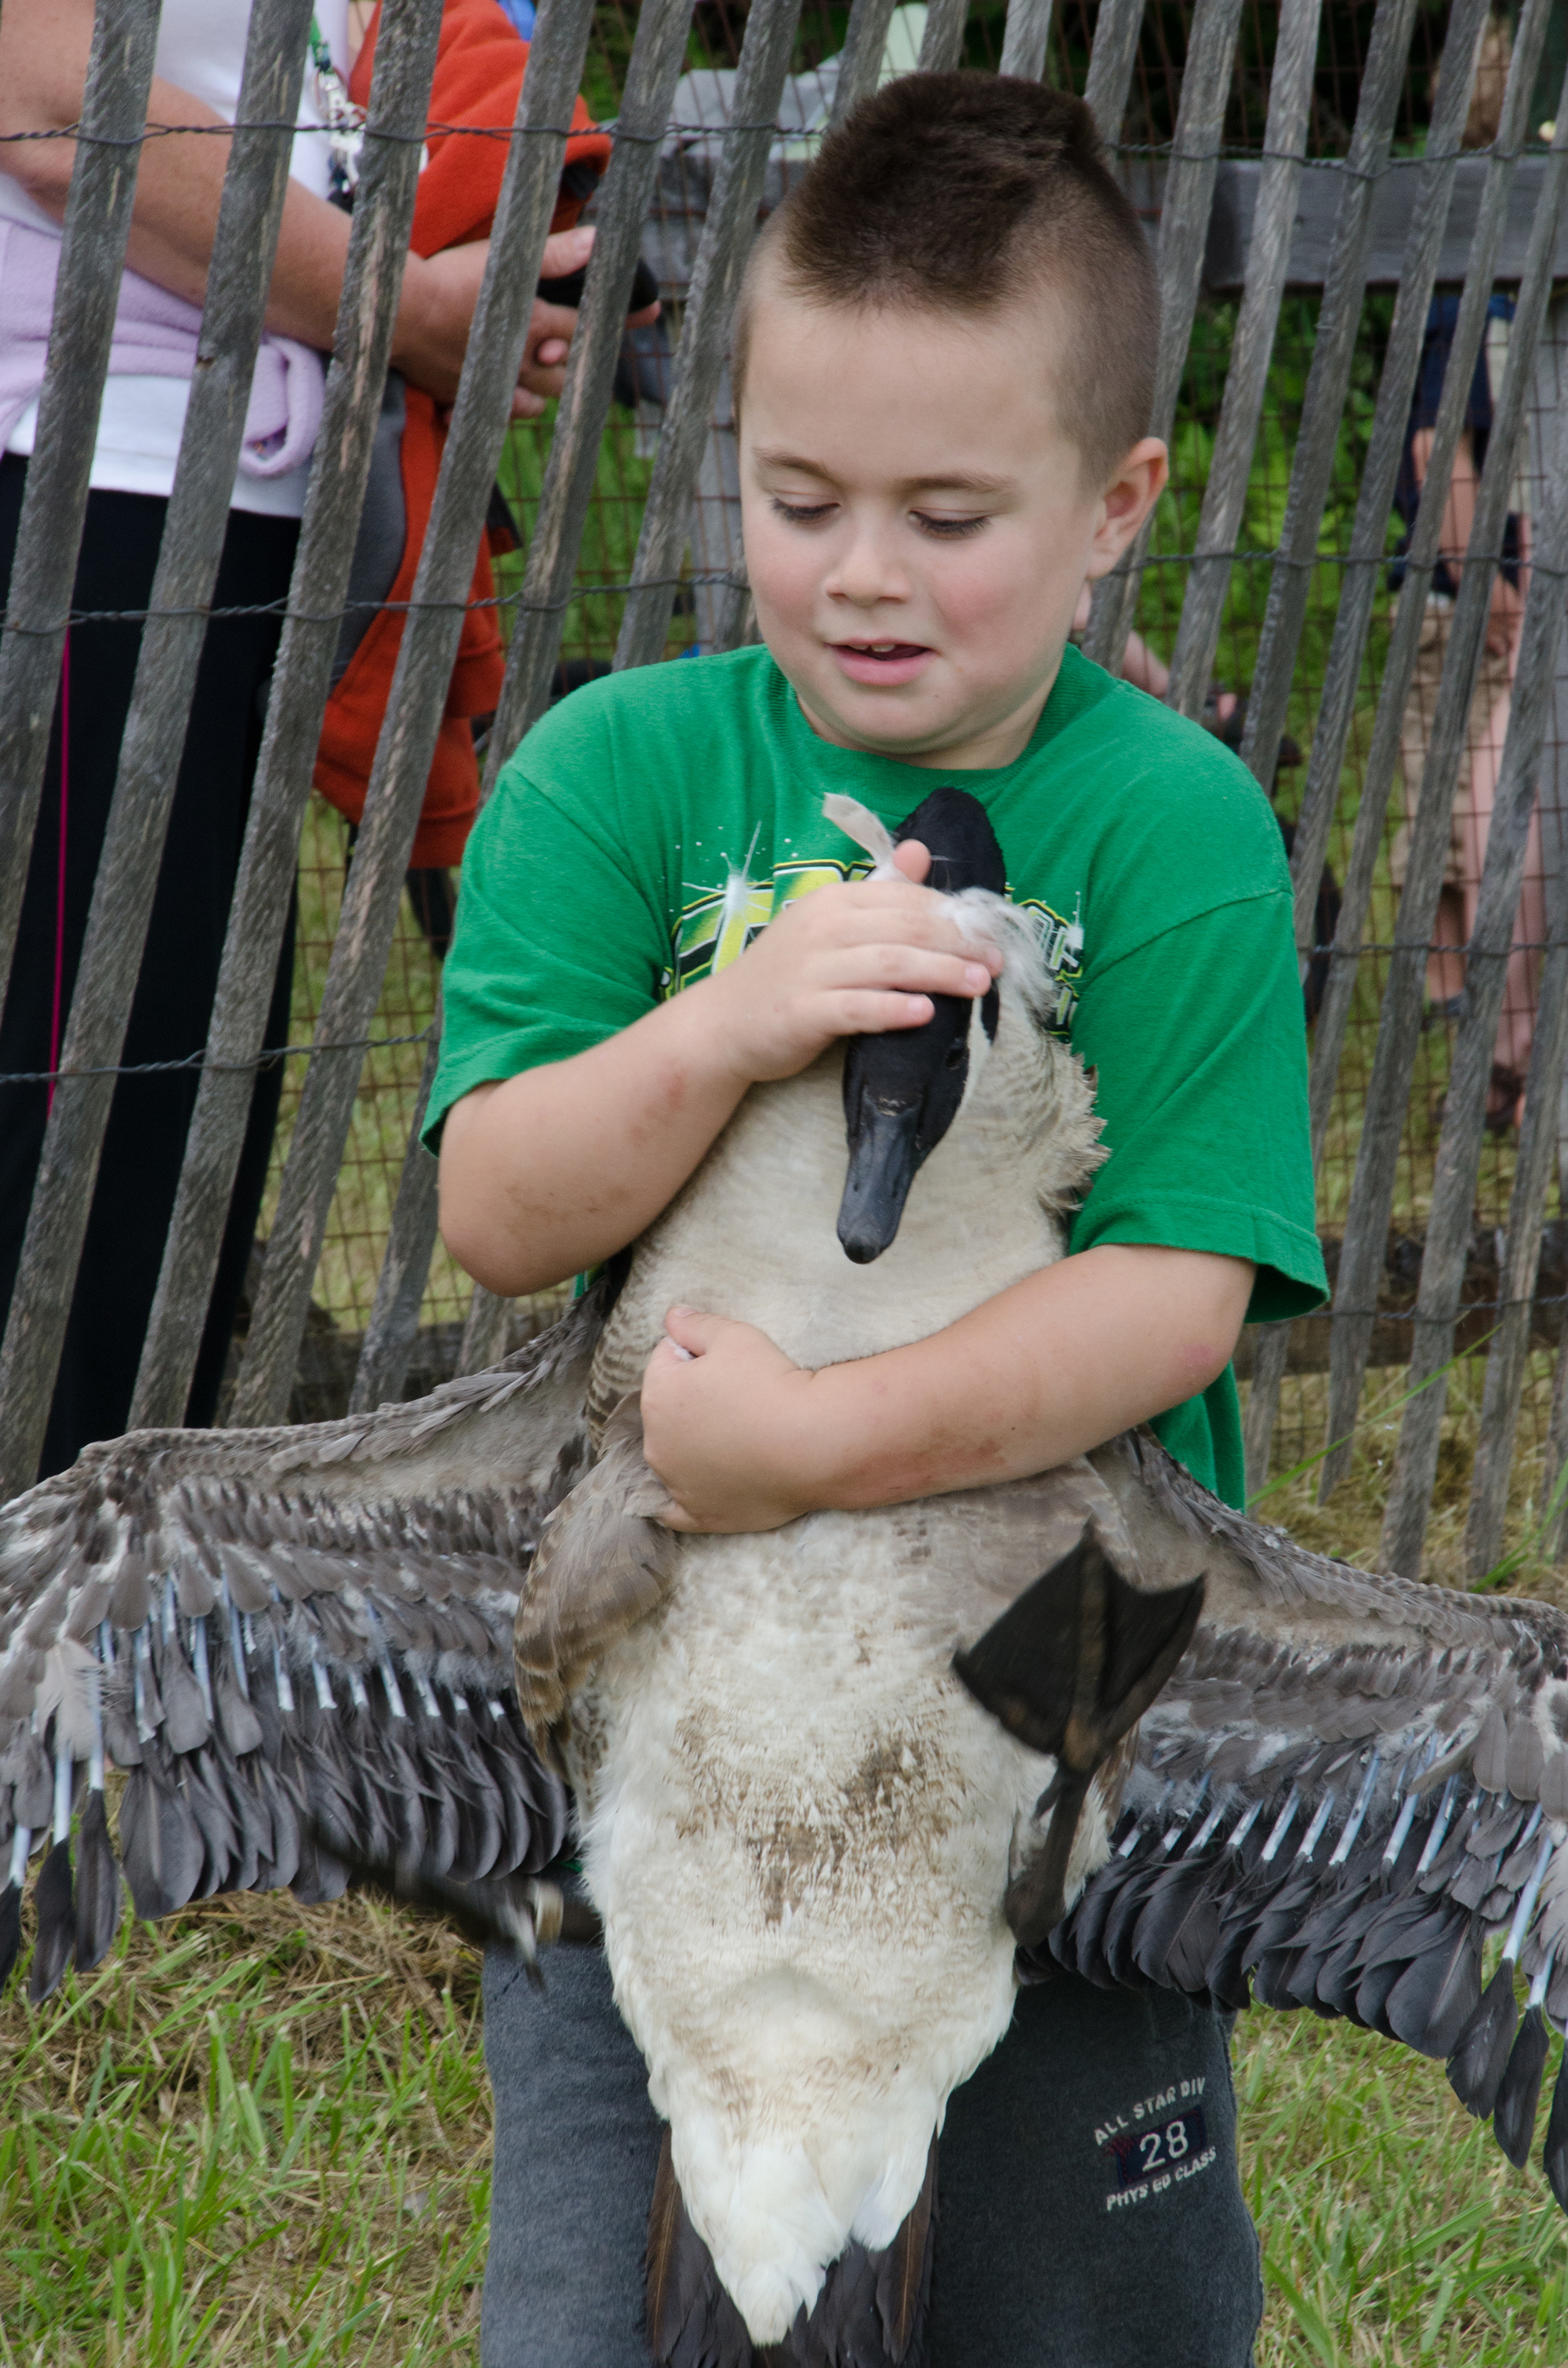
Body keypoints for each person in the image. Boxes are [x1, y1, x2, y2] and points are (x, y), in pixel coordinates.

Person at [429, 74, 1327, 2368]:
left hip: (1059, 1700)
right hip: (669, 1731)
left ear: (1118, 503)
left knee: (1084, 2317)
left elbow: (1176, 1294)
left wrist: (815, 1447)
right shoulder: (618, 776)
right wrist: (729, 1025)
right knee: (604, 2315)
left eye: (947, 514)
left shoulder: (1175, 828)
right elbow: (499, 1210)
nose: (859, 571)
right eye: (799, 495)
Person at [0, 0, 604, 1477]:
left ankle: (96, 1591)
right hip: (87, 482)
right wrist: (404, 303)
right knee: (75, 1181)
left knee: (171, 1163)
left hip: (248, 509)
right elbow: (60, 102)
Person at [1391, 9, 1532, 1131]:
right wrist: (1486, 580)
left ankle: (1486, 1038)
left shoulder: (1485, 269)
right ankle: (1470, 1038)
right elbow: (1440, 449)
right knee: (1450, 823)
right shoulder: (1470, 281)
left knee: (1467, 821)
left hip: (1485, 594)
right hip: (1467, 596)